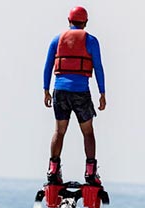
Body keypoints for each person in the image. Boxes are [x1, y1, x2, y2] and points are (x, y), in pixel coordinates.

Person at [42, 5, 106, 186]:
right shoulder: (91, 41)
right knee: (88, 133)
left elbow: (48, 67)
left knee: (59, 131)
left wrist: (46, 90)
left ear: (69, 21)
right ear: (85, 22)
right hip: (80, 93)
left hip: (60, 91)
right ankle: (91, 173)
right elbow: (98, 68)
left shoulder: (57, 39)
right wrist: (102, 93)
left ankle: (53, 170)